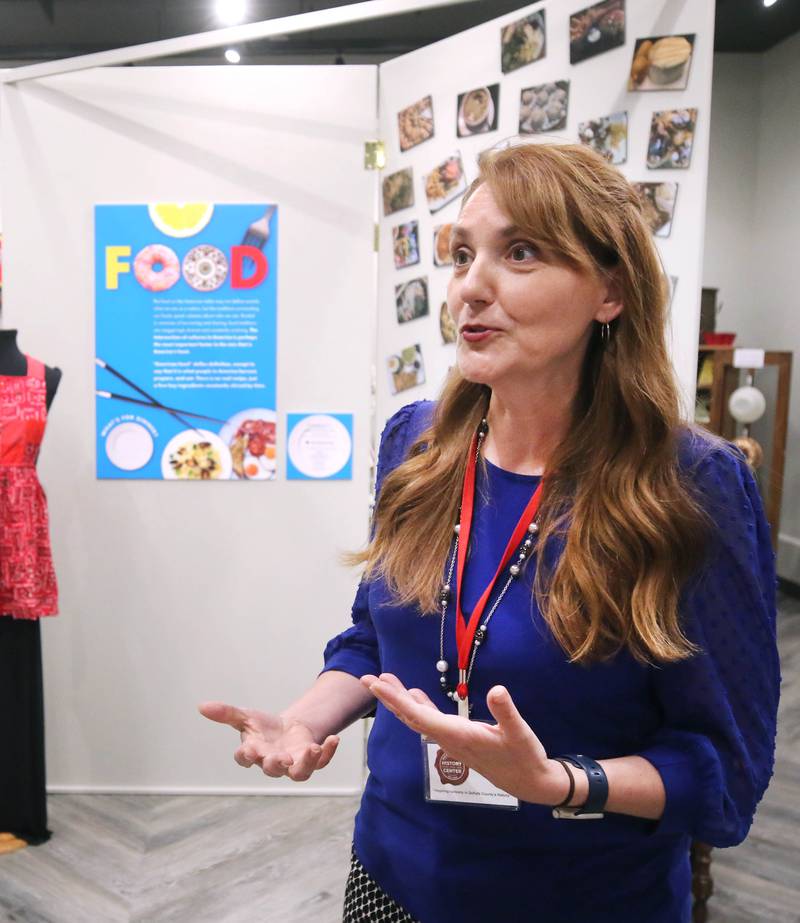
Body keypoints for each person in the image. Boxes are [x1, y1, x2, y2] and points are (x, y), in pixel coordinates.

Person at [200, 142, 780, 923]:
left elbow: (723, 770)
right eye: (463, 254)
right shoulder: (417, 440)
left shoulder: (688, 483)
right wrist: (304, 718)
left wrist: (560, 782)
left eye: (521, 252)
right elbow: (375, 640)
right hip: (391, 879)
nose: (472, 287)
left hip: (585, 901)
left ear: (610, 290)